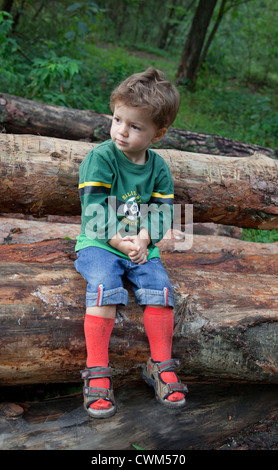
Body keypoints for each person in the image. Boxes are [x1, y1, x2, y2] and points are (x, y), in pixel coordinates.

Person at [74, 67, 188, 418]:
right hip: (99, 243)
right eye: (117, 119)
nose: (121, 131)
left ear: (159, 133)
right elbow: (93, 207)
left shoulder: (157, 168)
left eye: (135, 126)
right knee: (105, 286)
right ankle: (97, 373)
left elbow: (163, 211)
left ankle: (161, 365)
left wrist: (143, 238)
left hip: (139, 247)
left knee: (160, 289)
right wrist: (119, 241)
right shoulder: (102, 157)